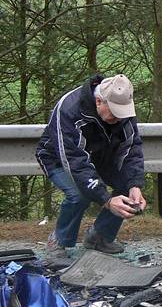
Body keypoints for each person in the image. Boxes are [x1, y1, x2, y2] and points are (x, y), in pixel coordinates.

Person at [36, 74, 146, 257]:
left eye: (122, 114)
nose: (119, 119)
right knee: (79, 195)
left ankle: (98, 237)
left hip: (101, 156)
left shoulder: (124, 111)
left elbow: (131, 149)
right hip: (58, 157)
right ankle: (59, 241)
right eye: (114, 113)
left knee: (127, 188)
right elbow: (74, 162)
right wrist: (107, 200)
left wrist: (134, 184)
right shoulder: (69, 109)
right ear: (98, 101)